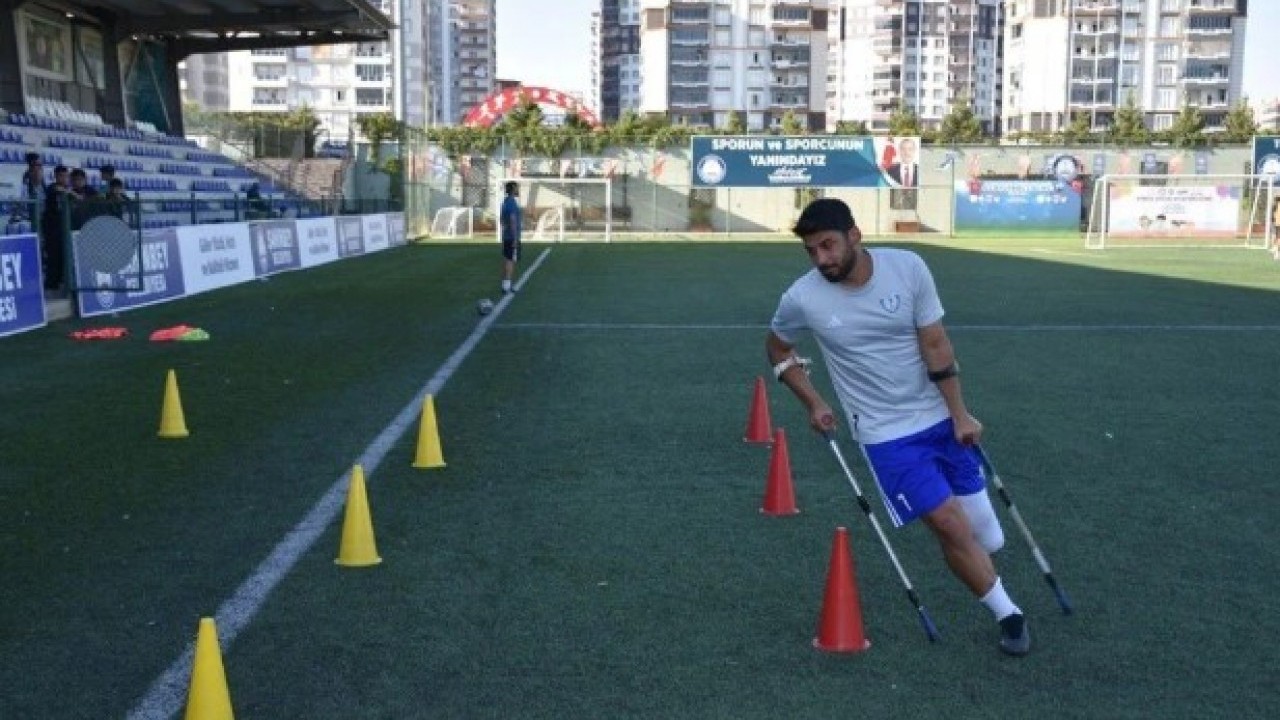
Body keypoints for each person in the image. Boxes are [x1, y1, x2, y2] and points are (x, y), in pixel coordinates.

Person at [765, 198, 1030, 656]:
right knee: (948, 525)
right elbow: (777, 349)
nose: (821, 259)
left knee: (986, 535)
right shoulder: (802, 297)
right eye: (812, 251)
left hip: (938, 418)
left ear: (854, 235)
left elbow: (936, 343)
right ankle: (1009, 614)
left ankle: (983, 563)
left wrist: (960, 413)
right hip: (883, 435)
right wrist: (812, 400)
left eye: (828, 245)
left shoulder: (907, 268)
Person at [499, 180, 522, 294]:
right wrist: (514, 238)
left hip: (506, 236)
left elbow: (502, 221)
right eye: (517, 188)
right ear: (513, 189)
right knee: (510, 261)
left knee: (507, 260)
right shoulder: (512, 203)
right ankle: (507, 286)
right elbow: (512, 220)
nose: (518, 190)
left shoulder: (505, 202)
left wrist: (506, 232)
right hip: (512, 237)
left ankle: (505, 284)